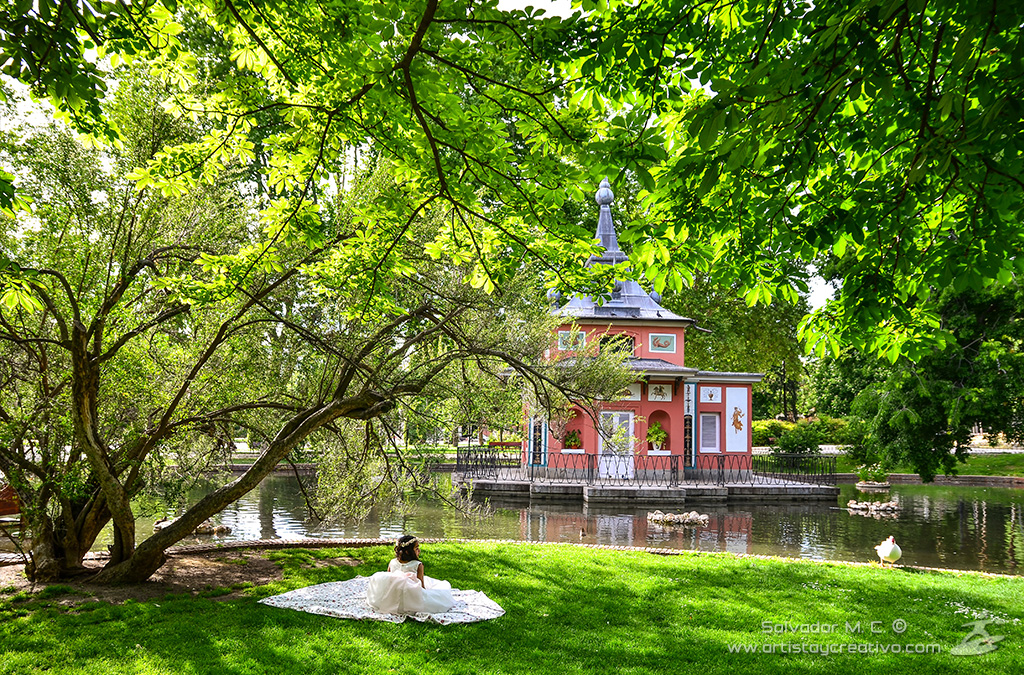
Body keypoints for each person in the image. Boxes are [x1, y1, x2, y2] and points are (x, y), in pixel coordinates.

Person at [365, 535, 455, 614]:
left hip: (393, 596)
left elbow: (388, 581)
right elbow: (421, 587)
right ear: (408, 552)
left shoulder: (392, 562)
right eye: (416, 548)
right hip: (411, 598)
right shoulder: (418, 565)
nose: (419, 550)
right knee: (440, 595)